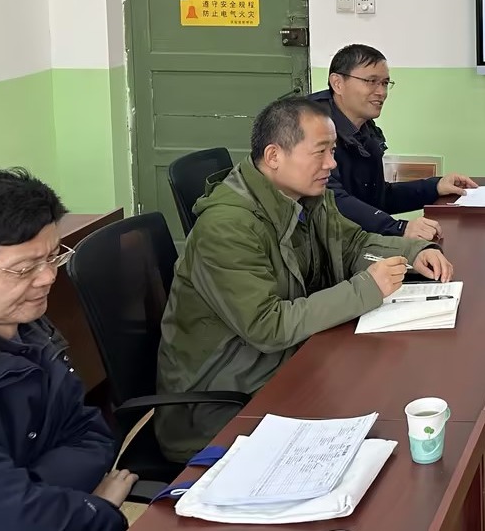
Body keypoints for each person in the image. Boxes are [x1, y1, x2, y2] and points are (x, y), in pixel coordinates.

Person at [156, 97, 457, 461]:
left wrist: (413, 251)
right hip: (223, 403)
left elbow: (353, 243)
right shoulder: (227, 227)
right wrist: (367, 287)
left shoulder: (306, 196)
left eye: (333, 150)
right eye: (320, 152)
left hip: (289, 361)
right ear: (274, 156)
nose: (331, 163)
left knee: (396, 382)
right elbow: (268, 326)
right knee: (379, 417)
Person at [0, 168, 135, 530]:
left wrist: (29, 493)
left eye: (52, 257)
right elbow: (2, 517)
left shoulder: (30, 331)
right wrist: (98, 508)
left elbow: (90, 434)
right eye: (23, 269)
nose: (48, 277)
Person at [308, 44, 477, 241]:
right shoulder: (309, 126)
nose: (381, 92)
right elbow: (330, 201)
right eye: (371, 81)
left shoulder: (365, 129)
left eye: (385, 83)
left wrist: (435, 186)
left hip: (352, 241)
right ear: (337, 83)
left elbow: (378, 197)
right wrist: (398, 228)